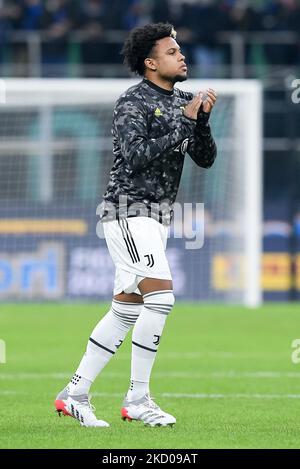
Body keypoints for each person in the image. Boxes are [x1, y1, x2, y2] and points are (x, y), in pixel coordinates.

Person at [54, 22, 217, 428]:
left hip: (158, 217)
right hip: (128, 211)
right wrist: (184, 120)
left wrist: (202, 121)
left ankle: (74, 393)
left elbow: (206, 158)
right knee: (160, 299)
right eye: (172, 51)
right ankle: (139, 399)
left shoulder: (183, 100)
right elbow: (136, 155)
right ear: (150, 62)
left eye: (180, 51)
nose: (181, 56)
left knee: (124, 312)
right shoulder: (133, 102)